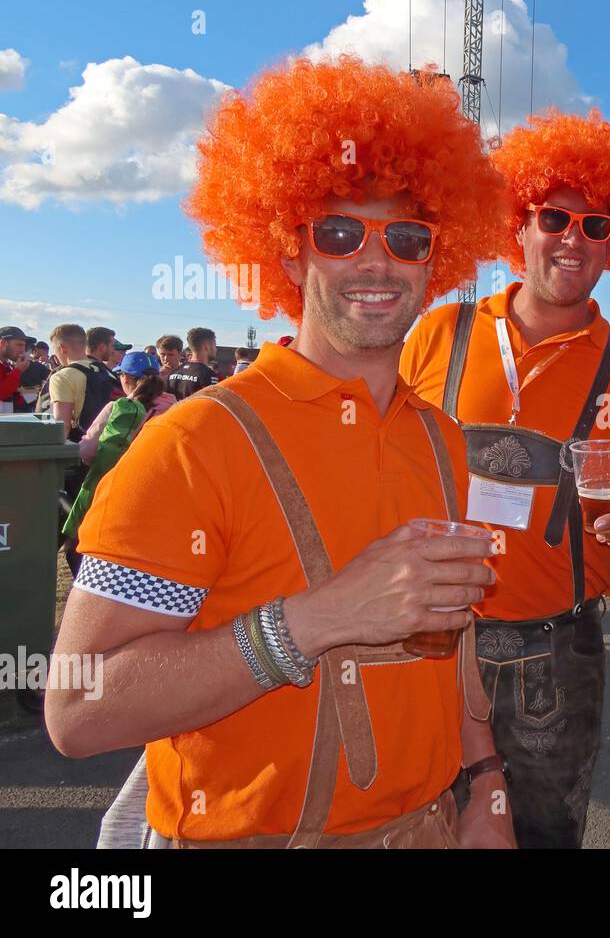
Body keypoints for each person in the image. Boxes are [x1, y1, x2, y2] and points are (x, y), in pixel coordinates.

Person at [46, 55, 515, 849]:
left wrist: (487, 785)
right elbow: (78, 709)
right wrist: (316, 620)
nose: (375, 260)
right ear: (288, 253)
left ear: (438, 260)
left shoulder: (437, 437)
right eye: (338, 232)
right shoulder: (194, 442)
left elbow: (453, 633)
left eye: (406, 236)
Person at [400, 108, 610, 848]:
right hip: (426, 639)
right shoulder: (439, 333)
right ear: (516, 224)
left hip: (558, 654)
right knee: (419, 826)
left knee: (546, 836)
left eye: (597, 226)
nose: (572, 239)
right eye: (555, 217)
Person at [61, 352, 176, 574]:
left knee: (78, 551)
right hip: (158, 496)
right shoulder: (176, 408)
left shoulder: (117, 408)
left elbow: (88, 453)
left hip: (114, 495)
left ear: (125, 378)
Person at [38, 323, 117, 441]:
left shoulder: (62, 376)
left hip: (83, 445)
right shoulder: (107, 371)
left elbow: (62, 425)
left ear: (62, 348)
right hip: (110, 443)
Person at [166, 327, 221, 399]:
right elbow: (211, 404)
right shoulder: (208, 375)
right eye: (214, 346)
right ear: (206, 347)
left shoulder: (173, 373)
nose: (216, 349)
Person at [0, 326, 33, 412]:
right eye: (19, 345)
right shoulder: (13, 369)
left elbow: (15, 399)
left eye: (24, 346)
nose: (23, 350)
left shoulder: (8, 366)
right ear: (3, 343)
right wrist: (18, 371)